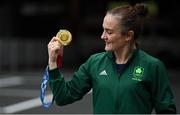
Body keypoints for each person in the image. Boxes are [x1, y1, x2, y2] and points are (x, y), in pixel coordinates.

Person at [47, 3, 177, 114]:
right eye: (103, 30)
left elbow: (167, 111)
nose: (103, 36)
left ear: (128, 35)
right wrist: (53, 62)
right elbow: (63, 97)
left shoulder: (153, 66)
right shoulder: (94, 63)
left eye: (109, 32)